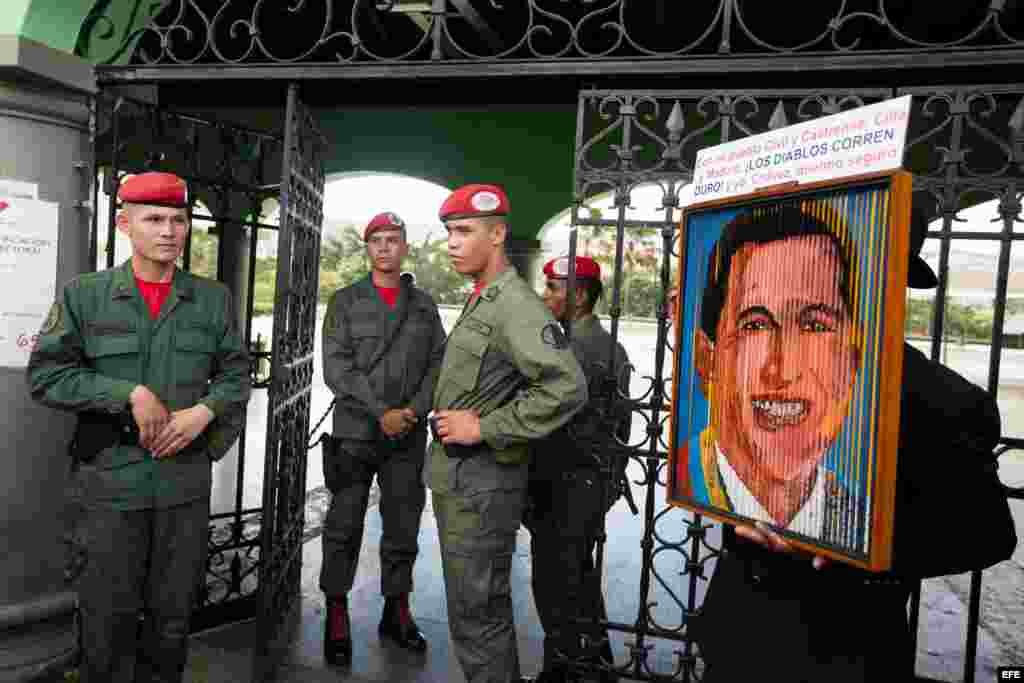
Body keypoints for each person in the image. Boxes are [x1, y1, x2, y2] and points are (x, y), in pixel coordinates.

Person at [693, 199, 1018, 682]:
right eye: (758, 321)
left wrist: (859, 545)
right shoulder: (745, 373)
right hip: (736, 634)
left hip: (845, 654)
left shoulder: (942, 397)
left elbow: (986, 535)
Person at [26, 172, 251, 682]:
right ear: (125, 224)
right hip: (111, 483)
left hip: (183, 484)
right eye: (154, 219)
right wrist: (128, 393)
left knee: (172, 620)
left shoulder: (211, 299)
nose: (170, 231)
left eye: (179, 220)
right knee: (106, 618)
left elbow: (238, 375)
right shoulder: (87, 296)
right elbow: (47, 376)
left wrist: (204, 412)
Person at [428, 183, 588, 683]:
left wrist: (485, 426)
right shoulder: (485, 298)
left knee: (479, 616)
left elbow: (566, 386)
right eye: (449, 232)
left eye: (464, 231)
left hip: (481, 484)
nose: (452, 242)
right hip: (464, 484)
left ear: (497, 234)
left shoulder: (514, 305)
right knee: (476, 611)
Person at [676, 203, 865, 547]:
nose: (782, 369)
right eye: (756, 325)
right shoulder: (685, 477)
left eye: (813, 325)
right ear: (707, 360)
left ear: (851, 363)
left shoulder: (859, 523)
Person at [318, 210, 446, 665]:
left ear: (405, 246)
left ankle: (398, 609)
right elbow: (336, 367)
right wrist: (381, 411)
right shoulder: (346, 302)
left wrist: (412, 410)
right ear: (367, 248)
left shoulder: (424, 306)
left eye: (394, 239)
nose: (386, 247)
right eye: (378, 240)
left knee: (402, 526)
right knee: (343, 526)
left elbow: (438, 364)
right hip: (356, 433)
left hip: (406, 436)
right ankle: (336, 611)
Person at [523, 255, 632, 683]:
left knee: (555, 583)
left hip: (566, 480)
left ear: (580, 296)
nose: (546, 295)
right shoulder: (609, 346)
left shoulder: (574, 349)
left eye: (554, 287)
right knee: (576, 575)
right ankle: (595, 660)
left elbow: (546, 416)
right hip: (586, 480)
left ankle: (566, 668)